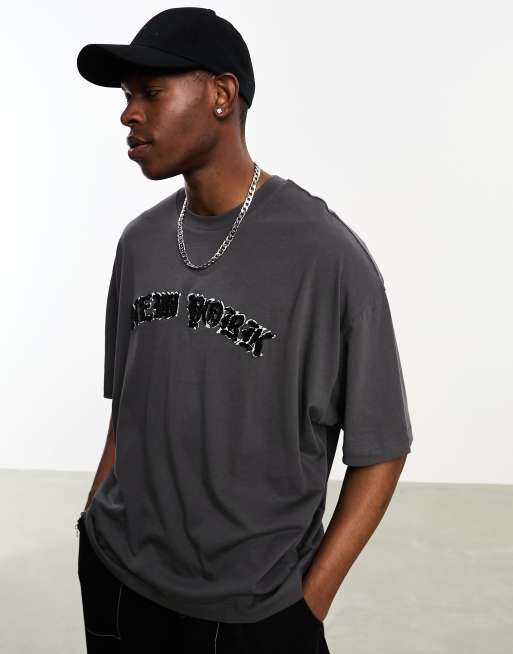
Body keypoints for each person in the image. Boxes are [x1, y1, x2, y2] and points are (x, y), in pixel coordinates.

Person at [75, 7, 413, 653]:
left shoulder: (326, 257)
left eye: (151, 92)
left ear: (221, 95)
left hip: (256, 616)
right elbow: (127, 409)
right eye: (125, 97)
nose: (128, 114)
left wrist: (307, 605)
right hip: (119, 582)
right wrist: (93, 524)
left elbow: (382, 450)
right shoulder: (140, 242)